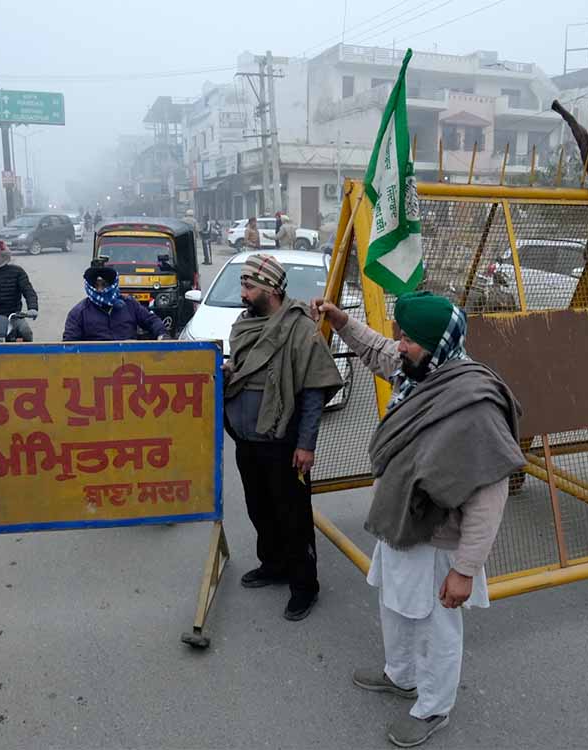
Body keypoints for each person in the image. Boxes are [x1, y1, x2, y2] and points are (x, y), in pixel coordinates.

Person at [312, 291, 524, 748]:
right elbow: (375, 350)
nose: (399, 344)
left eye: (408, 338)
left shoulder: (474, 406)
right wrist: (342, 321)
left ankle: (433, 707)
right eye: (400, 335)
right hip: (400, 525)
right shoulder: (422, 370)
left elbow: (489, 498)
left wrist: (465, 571)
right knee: (395, 606)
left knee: (435, 627)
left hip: (440, 540)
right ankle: (401, 675)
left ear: (437, 342)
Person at [223, 254, 343, 621]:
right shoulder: (245, 324)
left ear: (271, 290)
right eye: (242, 285)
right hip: (247, 441)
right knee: (260, 509)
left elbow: (312, 393)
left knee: (293, 517)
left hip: (284, 444)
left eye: (249, 286)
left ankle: (305, 586)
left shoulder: (300, 330)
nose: (242, 293)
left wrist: (306, 445)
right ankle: (273, 564)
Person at [63, 262, 169, 341]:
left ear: (112, 285)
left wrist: (162, 335)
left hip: (130, 362)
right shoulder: (78, 313)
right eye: (96, 286)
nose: (100, 290)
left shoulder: (130, 304)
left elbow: (152, 320)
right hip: (94, 364)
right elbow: (69, 344)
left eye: (104, 285)